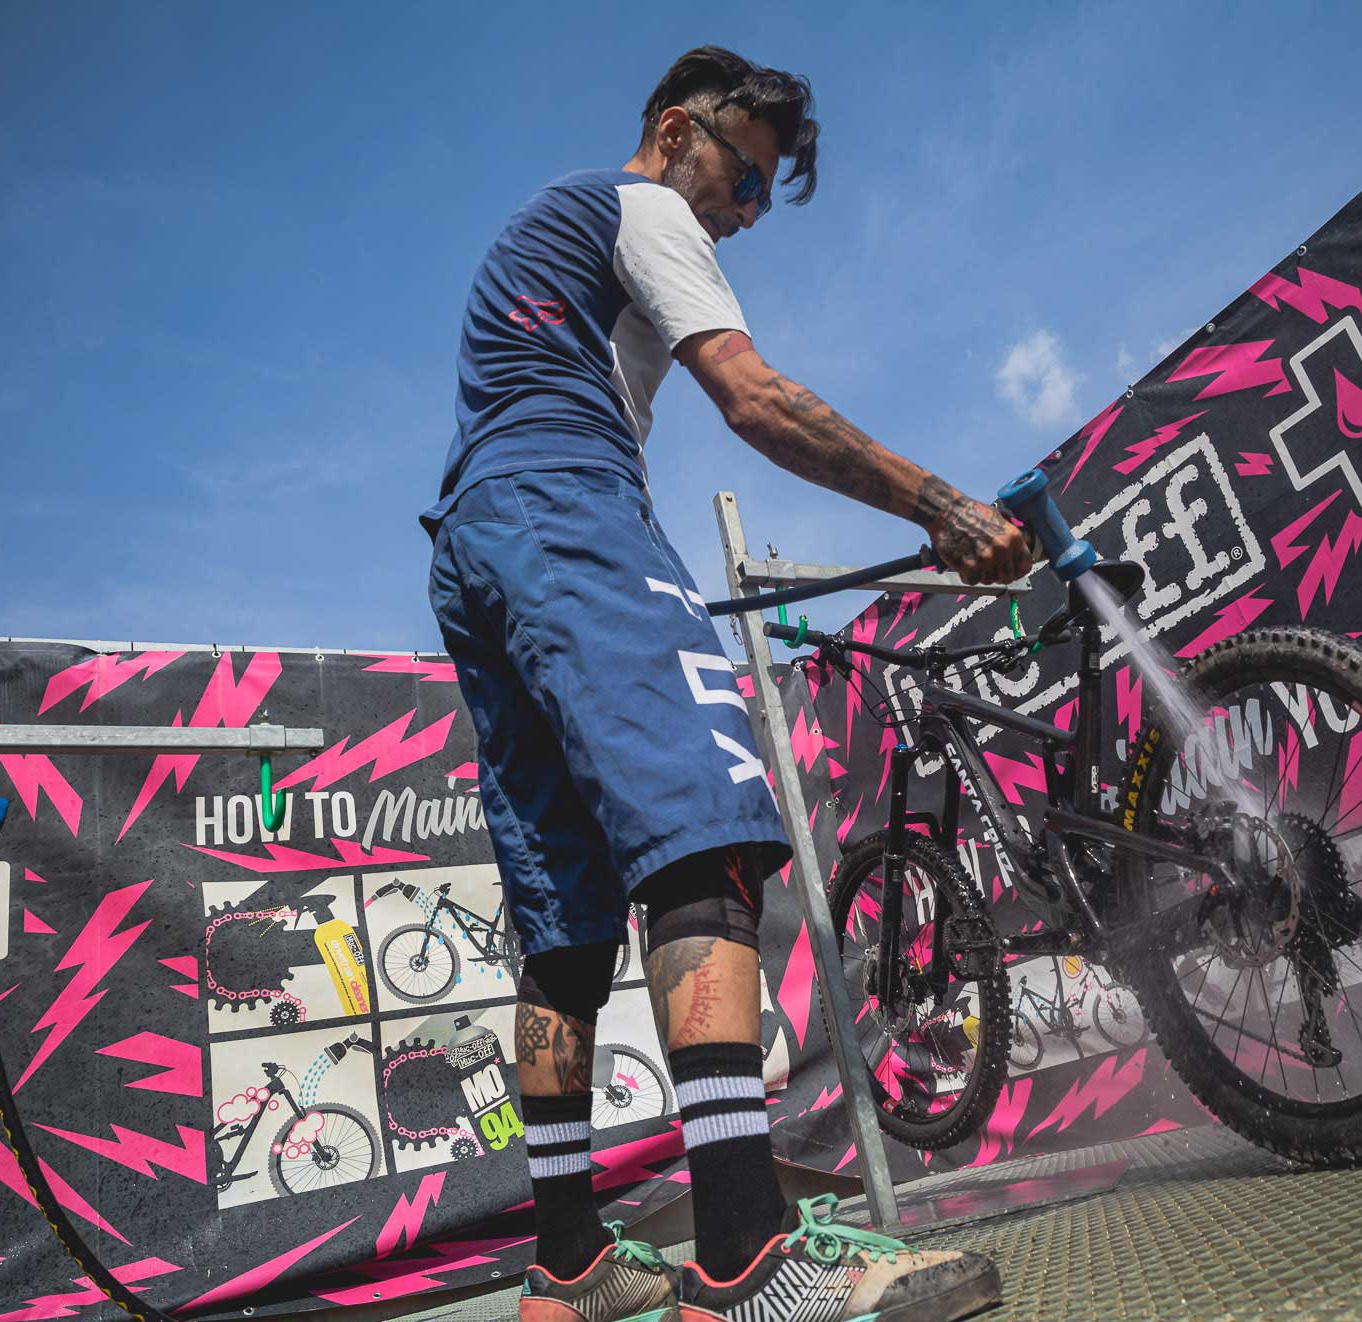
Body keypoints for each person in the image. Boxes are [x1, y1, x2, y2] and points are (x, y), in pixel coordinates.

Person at [422, 45, 1025, 1322]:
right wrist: (941, 504)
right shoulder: (637, 205)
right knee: (704, 828)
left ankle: (570, 1263)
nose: (741, 215)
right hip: (562, 501)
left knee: (566, 928)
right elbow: (754, 397)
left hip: (478, 532)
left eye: (754, 202)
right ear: (671, 129)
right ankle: (745, 1261)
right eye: (738, 179)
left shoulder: (552, 238)